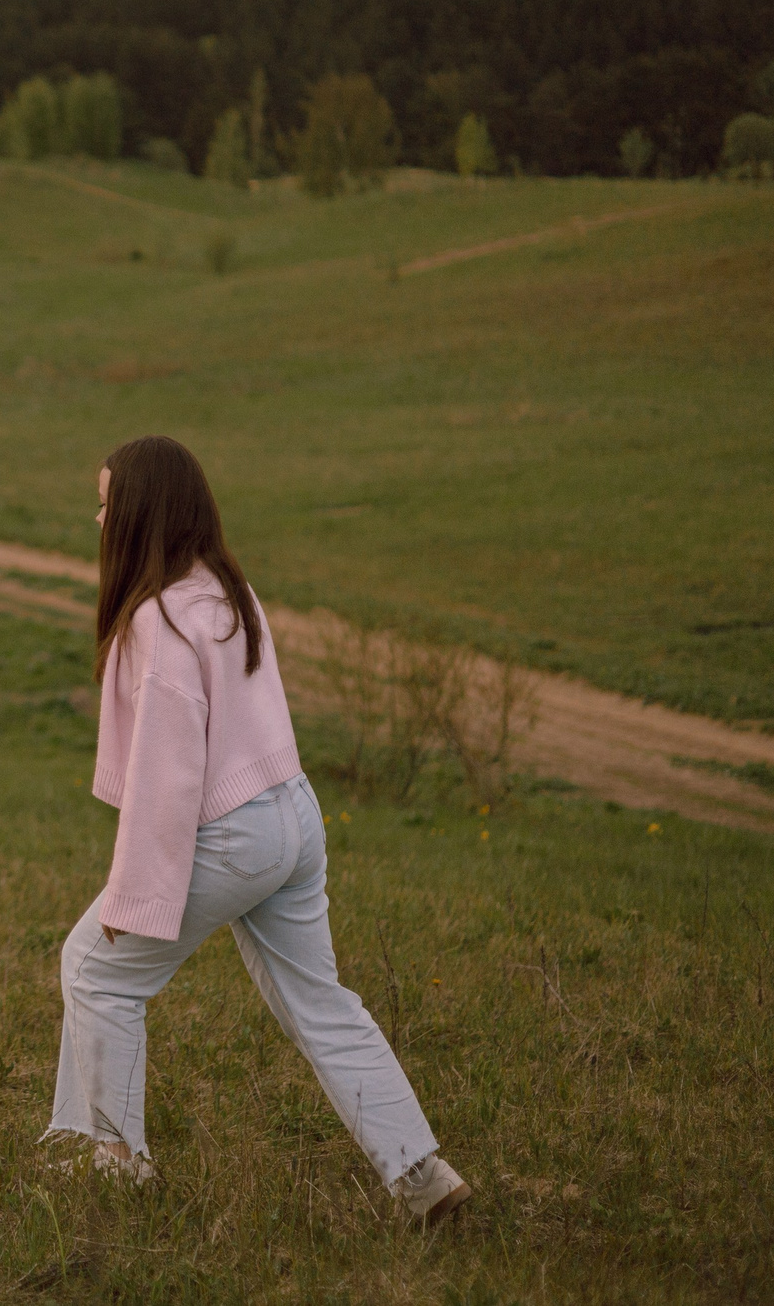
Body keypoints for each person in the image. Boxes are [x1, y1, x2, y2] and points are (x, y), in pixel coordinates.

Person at [44, 434, 470, 1226]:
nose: (95, 516)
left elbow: (167, 785)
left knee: (97, 968)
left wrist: (132, 897)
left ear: (138, 515)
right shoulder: (225, 590)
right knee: (320, 1001)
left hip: (231, 831)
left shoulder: (157, 624)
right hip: (294, 814)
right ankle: (424, 1176)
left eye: (105, 502)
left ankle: (117, 1163)